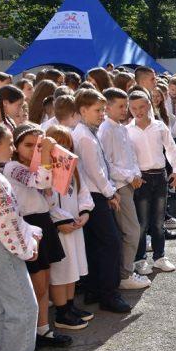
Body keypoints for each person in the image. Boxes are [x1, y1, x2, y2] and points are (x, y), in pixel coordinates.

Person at [0, 123, 46, 351]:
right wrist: (28, 245)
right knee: (23, 305)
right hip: (2, 246)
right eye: (8, 142)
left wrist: (28, 233)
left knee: (4, 305)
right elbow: (4, 224)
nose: (12, 147)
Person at [4, 124, 73, 347]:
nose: (33, 149)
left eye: (38, 145)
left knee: (44, 279)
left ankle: (43, 329)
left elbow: (49, 195)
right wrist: (45, 155)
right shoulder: (12, 167)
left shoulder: (38, 164)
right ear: (15, 146)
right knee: (35, 286)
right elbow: (39, 181)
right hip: (26, 224)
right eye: (28, 145)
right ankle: (28, 336)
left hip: (43, 222)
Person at [72, 89, 131, 314]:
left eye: (103, 109)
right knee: (110, 244)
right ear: (83, 110)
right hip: (95, 195)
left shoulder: (88, 131)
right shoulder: (85, 136)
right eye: (97, 110)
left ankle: (95, 289)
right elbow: (95, 172)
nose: (101, 114)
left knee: (99, 245)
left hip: (96, 194)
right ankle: (108, 293)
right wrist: (110, 193)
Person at [97, 88, 149, 288]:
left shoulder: (121, 128)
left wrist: (136, 174)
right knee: (132, 231)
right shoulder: (106, 130)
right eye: (120, 106)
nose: (125, 110)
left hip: (130, 183)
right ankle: (125, 274)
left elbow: (131, 155)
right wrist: (129, 176)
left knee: (129, 231)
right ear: (107, 107)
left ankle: (125, 271)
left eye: (125, 105)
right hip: (118, 187)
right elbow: (106, 164)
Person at [43, 125, 94, 330]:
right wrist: (60, 220)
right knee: (61, 271)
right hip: (60, 229)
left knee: (74, 268)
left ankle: (71, 306)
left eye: (67, 144)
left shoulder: (73, 169)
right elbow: (46, 202)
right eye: (58, 144)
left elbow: (83, 194)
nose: (64, 148)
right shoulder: (45, 173)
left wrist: (85, 212)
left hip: (74, 225)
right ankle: (61, 312)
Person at [126, 91, 176, 272]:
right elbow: (128, 157)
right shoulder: (127, 130)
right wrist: (134, 175)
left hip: (160, 176)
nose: (138, 111)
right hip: (140, 179)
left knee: (158, 221)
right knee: (141, 223)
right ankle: (140, 260)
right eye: (133, 108)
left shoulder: (159, 126)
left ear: (149, 105)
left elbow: (171, 148)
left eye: (141, 107)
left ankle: (160, 257)